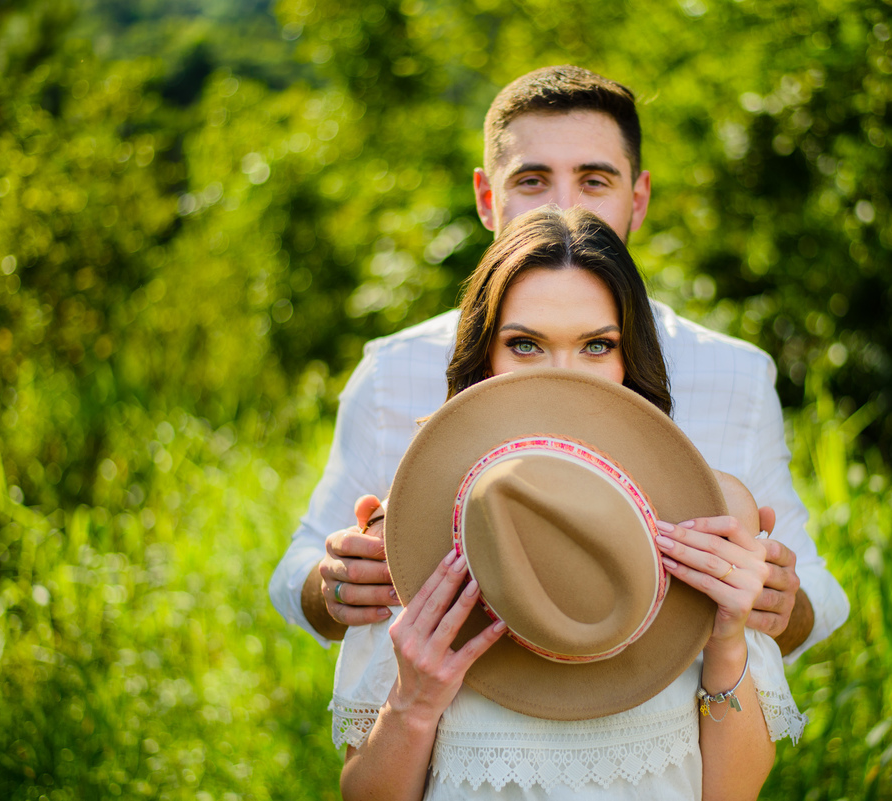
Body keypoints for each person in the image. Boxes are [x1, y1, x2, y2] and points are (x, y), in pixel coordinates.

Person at [268, 65, 848, 662]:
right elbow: (299, 571)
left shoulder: (736, 376)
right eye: (532, 180)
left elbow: (819, 600)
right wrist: (333, 586)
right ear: (488, 200)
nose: (566, 207)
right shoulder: (394, 372)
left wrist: (779, 600)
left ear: (638, 199)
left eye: (595, 181)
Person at [334, 206, 804, 800]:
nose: (564, 378)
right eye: (525, 344)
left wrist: (727, 638)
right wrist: (414, 700)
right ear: (484, 359)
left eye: (596, 346)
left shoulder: (707, 524)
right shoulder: (419, 533)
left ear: (631, 358)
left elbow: (730, 797)